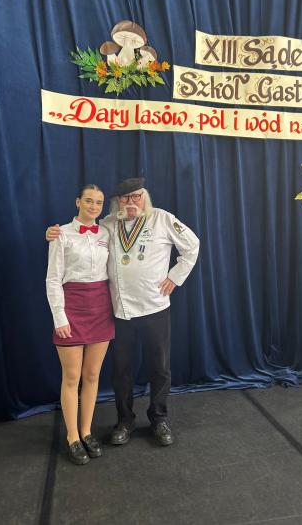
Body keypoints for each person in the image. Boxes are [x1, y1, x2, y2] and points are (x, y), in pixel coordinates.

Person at [47, 177, 199, 446]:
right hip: (120, 311)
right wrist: (53, 232)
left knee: (159, 367)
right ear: (118, 201)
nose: (131, 202)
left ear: (145, 197)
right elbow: (79, 233)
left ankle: (159, 418)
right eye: (125, 198)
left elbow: (192, 245)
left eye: (136, 196)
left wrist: (175, 277)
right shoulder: (107, 224)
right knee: (121, 371)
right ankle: (124, 421)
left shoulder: (162, 218)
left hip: (154, 307)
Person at [46, 184, 115, 465]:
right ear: (78, 202)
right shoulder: (60, 234)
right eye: (89, 201)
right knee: (72, 377)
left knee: (92, 375)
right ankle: (72, 436)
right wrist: (59, 317)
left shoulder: (107, 233)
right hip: (71, 307)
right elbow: (53, 279)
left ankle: (86, 431)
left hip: (101, 308)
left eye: (98, 202)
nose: (94, 206)